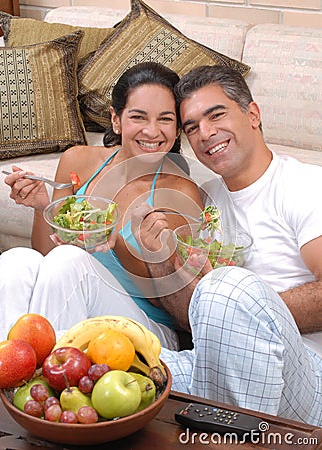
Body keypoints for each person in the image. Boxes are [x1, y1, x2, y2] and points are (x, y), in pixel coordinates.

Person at [131, 65, 322, 425]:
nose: (205, 133)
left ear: (252, 114)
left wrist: (241, 312)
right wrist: (158, 260)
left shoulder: (306, 186)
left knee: (225, 288)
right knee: (110, 353)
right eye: (191, 128)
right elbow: (191, 318)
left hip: (306, 377)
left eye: (215, 115)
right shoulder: (205, 201)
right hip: (217, 364)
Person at [0, 62, 203, 349]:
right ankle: (9, 375)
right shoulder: (78, 161)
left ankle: (44, 382)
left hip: (146, 325)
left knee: (70, 260)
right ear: (116, 120)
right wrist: (42, 207)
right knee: (17, 261)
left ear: (177, 128)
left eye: (165, 119)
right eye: (138, 117)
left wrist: (117, 243)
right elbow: (47, 254)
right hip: (73, 301)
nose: (152, 131)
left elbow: (174, 303)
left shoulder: (179, 191)